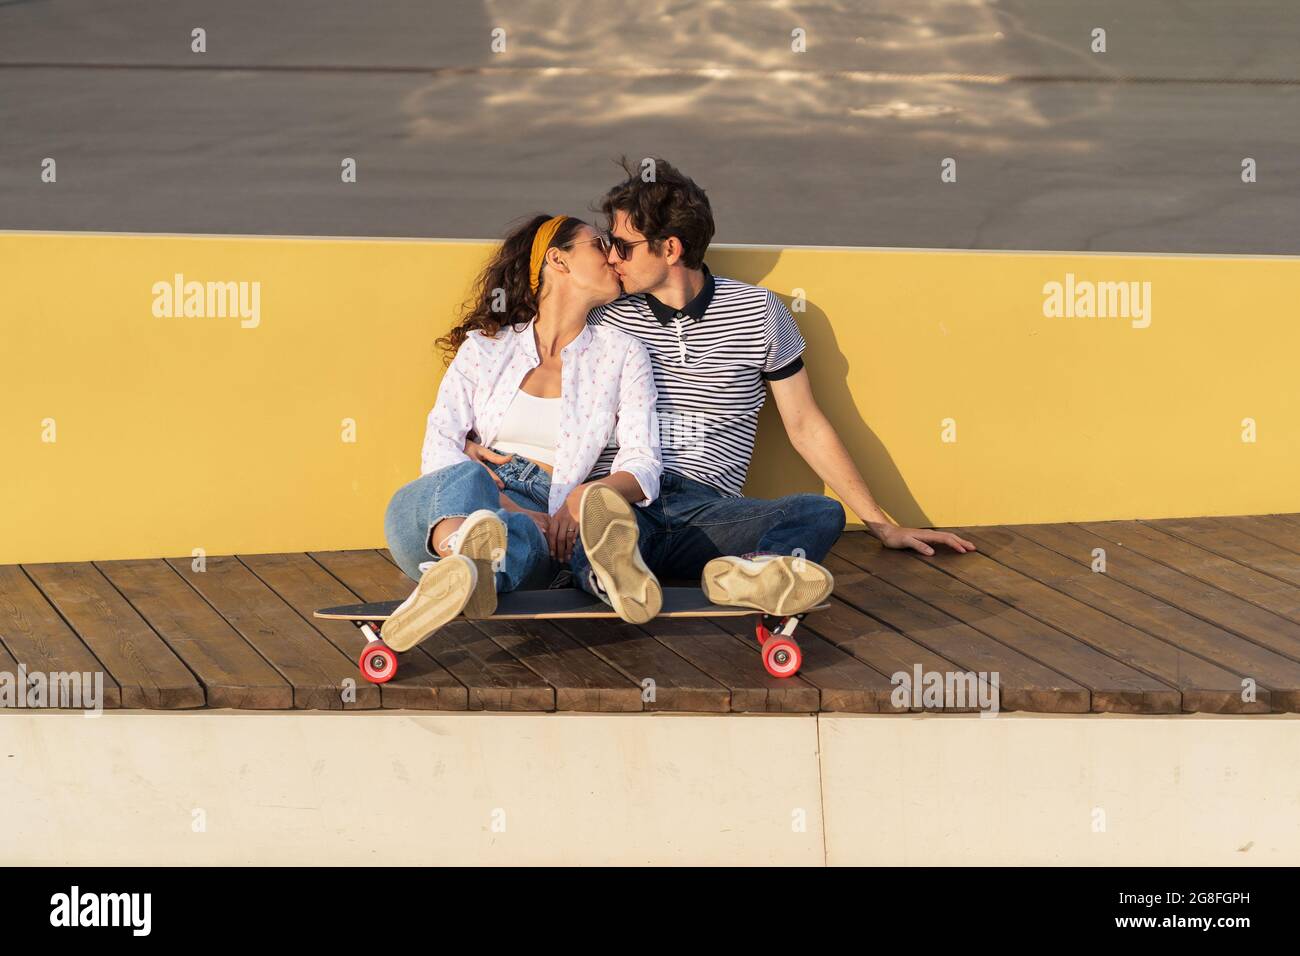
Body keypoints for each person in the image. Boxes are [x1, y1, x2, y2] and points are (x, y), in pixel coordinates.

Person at [467, 158, 976, 618]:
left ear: (670, 248)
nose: (612, 258)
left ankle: (748, 576)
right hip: (622, 498)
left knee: (818, 512)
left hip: (708, 511)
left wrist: (882, 523)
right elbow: (519, 357)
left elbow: (805, 425)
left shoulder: (762, 314)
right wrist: (471, 443)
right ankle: (612, 575)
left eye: (622, 246)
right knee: (599, 536)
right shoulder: (604, 314)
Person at [382, 214, 664, 653]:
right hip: (469, 500)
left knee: (525, 540)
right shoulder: (485, 347)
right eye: (598, 244)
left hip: (549, 512)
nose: (612, 254)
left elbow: (642, 462)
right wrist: (500, 502)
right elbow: (440, 445)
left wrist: (587, 499)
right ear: (558, 259)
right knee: (459, 483)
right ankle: (463, 554)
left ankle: (470, 573)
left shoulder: (622, 353)